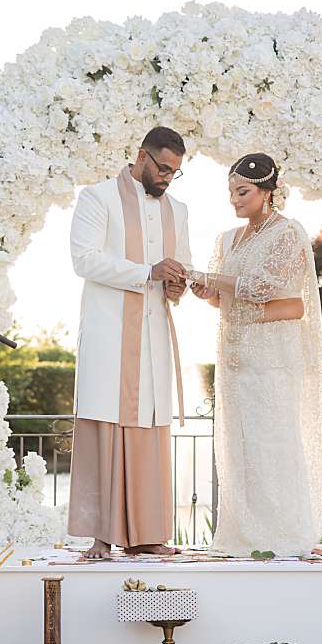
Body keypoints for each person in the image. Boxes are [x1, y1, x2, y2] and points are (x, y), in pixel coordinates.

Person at [189, 153, 322, 556]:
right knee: (240, 447)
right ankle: (245, 536)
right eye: (231, 192)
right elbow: (225, 299)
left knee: (273, 443)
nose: (234, 200)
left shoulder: (288, 234)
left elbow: (265, 290)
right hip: (234, 358)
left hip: (271, 358)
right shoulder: (226, 239)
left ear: (268, 192)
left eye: (243, 192)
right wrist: (206, 292)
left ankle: (286, 536)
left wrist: (211, 279)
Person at [68, 126, 193, 560]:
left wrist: (178, 284)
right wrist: (147, 272)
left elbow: (183, 267)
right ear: (140, 156)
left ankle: (146, 534)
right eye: (161, 168)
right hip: (110, 334)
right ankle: (101, 535)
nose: (166, 178)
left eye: (174, 172)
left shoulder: (179, 210)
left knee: (149, 430)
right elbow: (83, 259)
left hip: (153, 336)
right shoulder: (97, 198)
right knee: (108, 425)